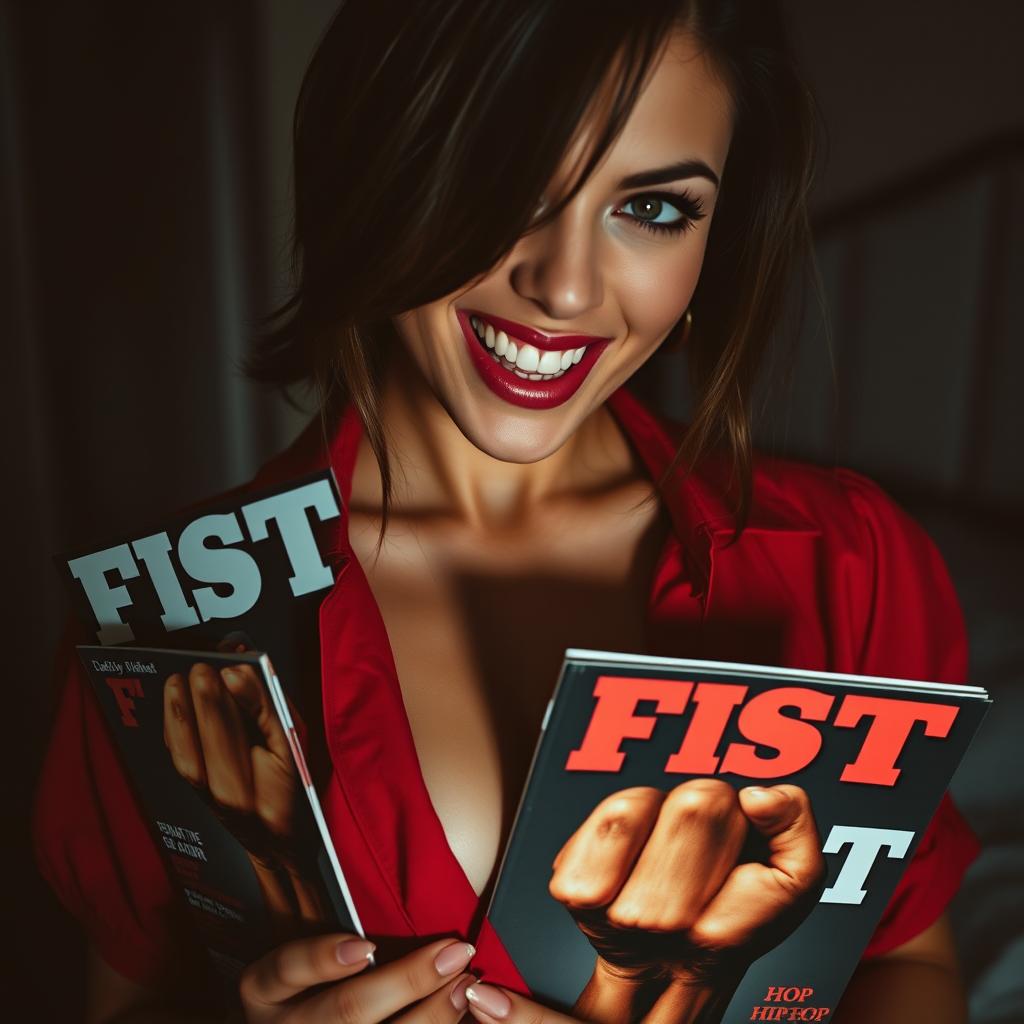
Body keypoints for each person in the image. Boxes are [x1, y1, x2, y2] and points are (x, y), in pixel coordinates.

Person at [32, 1, 981, 1022]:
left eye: (652, 207)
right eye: (501, 182)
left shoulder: (848, 563)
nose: (564, 287)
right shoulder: (164, 611)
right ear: (377, 167)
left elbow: (910, 968)